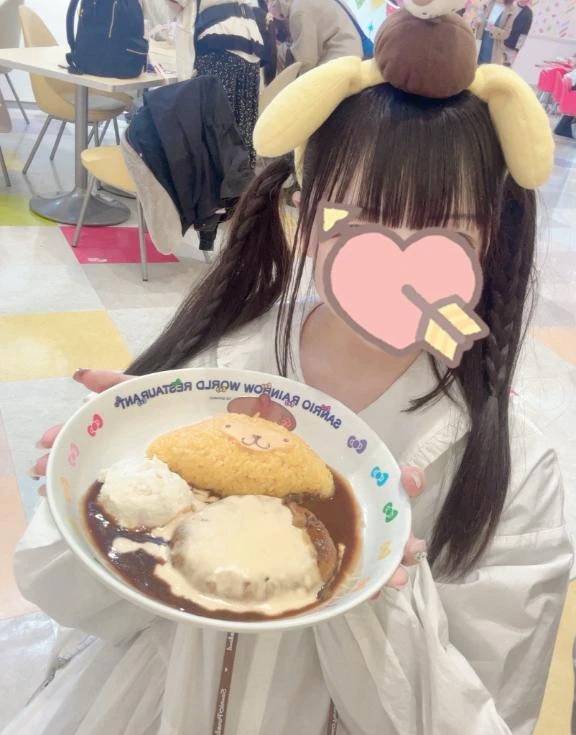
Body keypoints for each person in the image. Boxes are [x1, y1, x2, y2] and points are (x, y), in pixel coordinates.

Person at [4, 9, 573, 735]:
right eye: (360, 220)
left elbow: (494, 712)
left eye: (447, 229)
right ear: (299, 218)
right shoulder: (203, 377)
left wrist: (374, 591)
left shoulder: (510, 470)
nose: (397, 258)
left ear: (491, 238)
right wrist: (107, 491)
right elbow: (62, 596)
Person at [168, 0, 267, 165]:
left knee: (214, 133)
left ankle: (215, 179)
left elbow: (176, 5)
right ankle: (243, 178)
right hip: (249, 43)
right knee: (242, 132)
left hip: (218, 42)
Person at [269, 0, 363, 72]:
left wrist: (280, 51)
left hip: (340, 64)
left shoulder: (298, 11)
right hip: (355, 54)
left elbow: (306, 62)